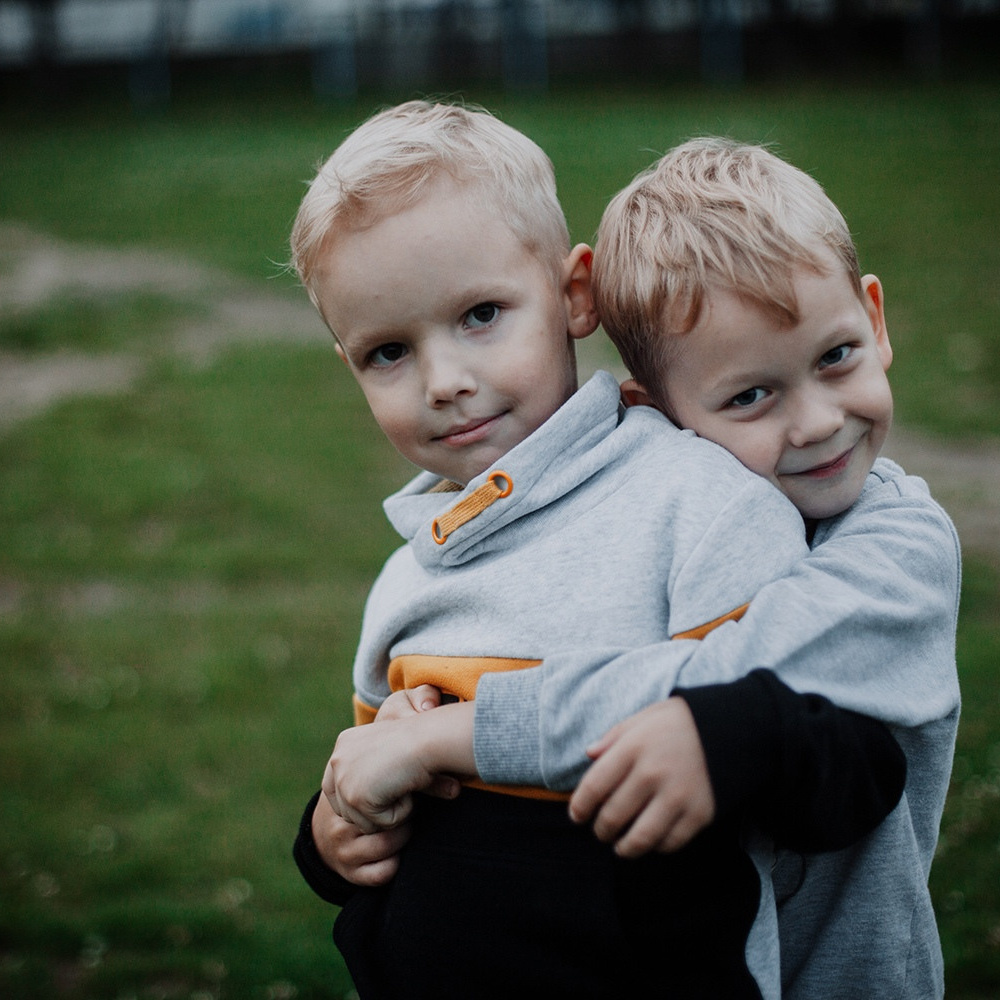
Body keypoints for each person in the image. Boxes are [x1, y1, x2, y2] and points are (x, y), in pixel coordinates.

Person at [290, 104, 907, 1000]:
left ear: (575, 294)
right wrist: (332, 837)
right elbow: (378, 774)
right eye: (389, 351)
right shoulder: (409, 574)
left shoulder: (692, 501)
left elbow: (835, 762)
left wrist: (718, 739)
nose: (445, 381)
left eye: (481, 315)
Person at [493, 137, 961, 998]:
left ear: (876, 320)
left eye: (835, 357)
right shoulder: (673, 540)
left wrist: (453, 732)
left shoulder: (902, 547)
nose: (818, 423)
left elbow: (717, 684)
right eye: (751, 396)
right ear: (658, 413)